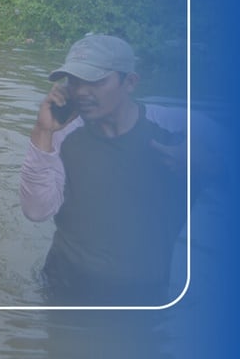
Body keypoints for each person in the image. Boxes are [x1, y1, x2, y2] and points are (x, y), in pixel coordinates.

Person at [20, 34, 186, 305]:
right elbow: (36, 211)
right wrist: (42, 131)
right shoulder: (62, 135)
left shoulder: (176, 131)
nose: (82, 92)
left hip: (143, 298)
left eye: (95, 82)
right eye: (74, 82)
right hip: (62, 287)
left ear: (130, 82)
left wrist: (207, 166)